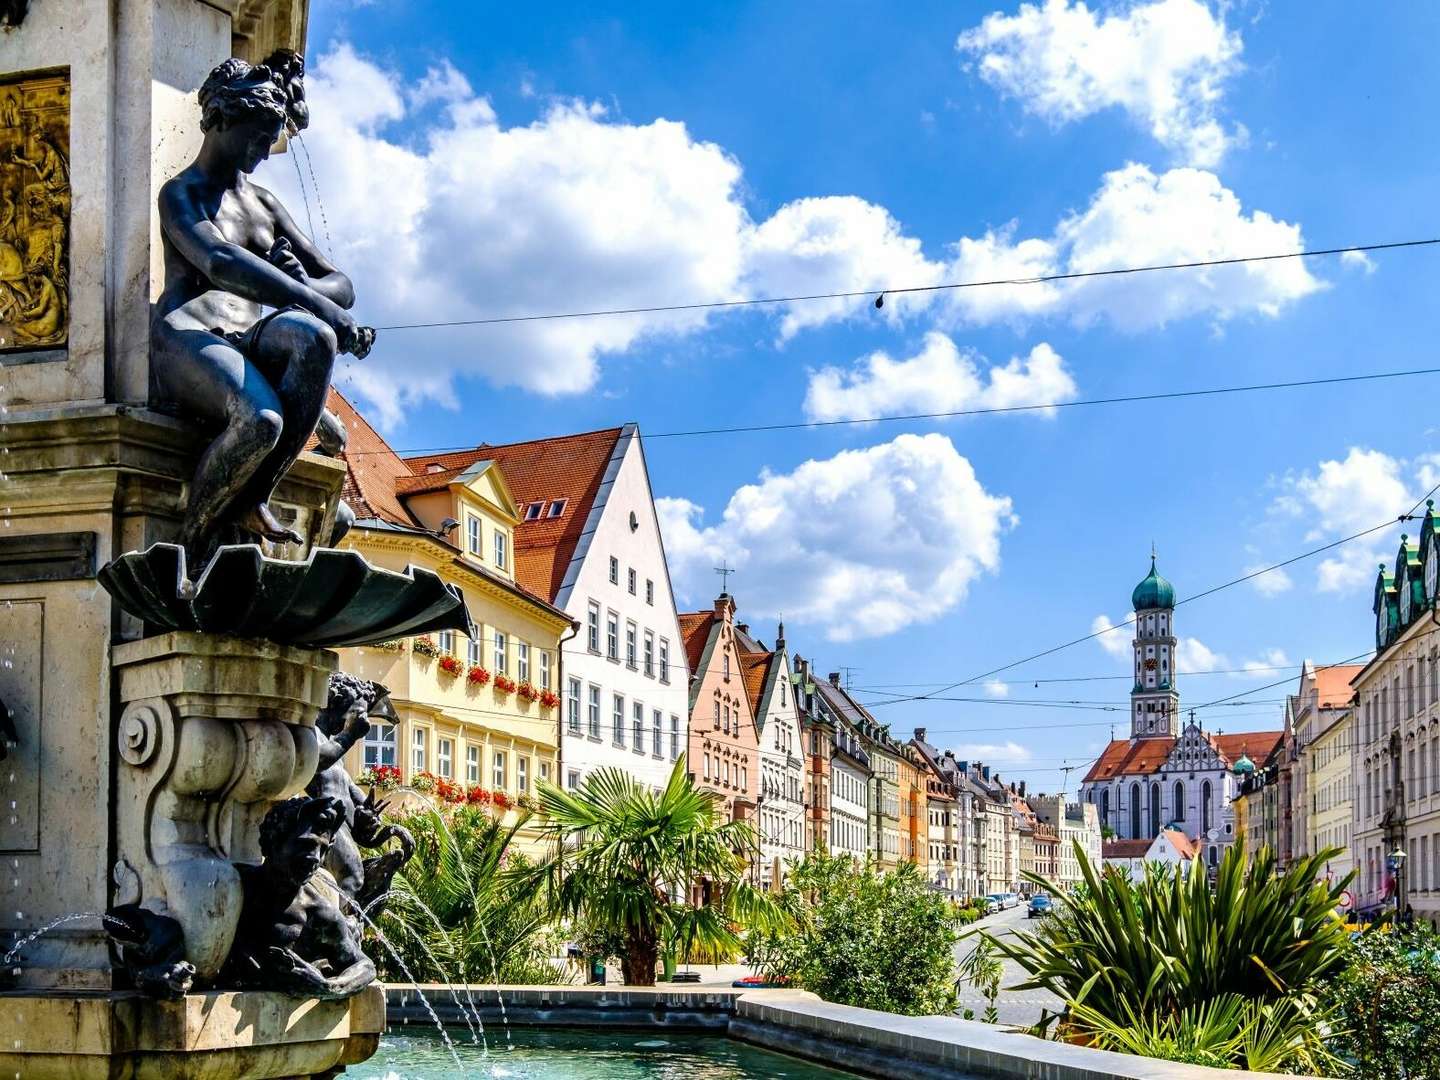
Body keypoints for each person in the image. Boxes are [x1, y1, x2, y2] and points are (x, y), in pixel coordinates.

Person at [151, 52, 372, 569]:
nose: (264, 151)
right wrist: (312, 299)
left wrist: (304, 287)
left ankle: (254, 494)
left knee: (314, 339)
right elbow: (222, 262)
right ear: (223, 120)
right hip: (190, 331)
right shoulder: (182, 194)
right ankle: (195, 541)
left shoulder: (266, 204)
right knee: (260, 420)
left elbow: (342, 286)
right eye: (257, 135)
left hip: (253, 332)